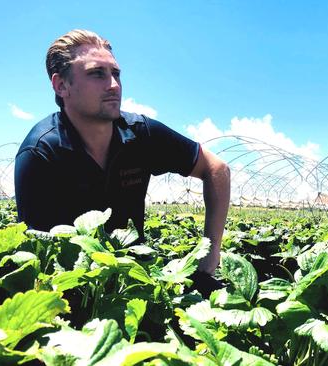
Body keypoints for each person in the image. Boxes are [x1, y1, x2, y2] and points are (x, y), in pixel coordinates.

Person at [14, 29, 230, 277]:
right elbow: (37, 256)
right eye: (97, 73)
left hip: (136, 278)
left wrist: (212, 253)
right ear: (61, 85)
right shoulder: (42, 152)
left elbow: (216, 168)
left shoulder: (141, 134)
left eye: (115, 73)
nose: (114, 85)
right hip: (72, 287)